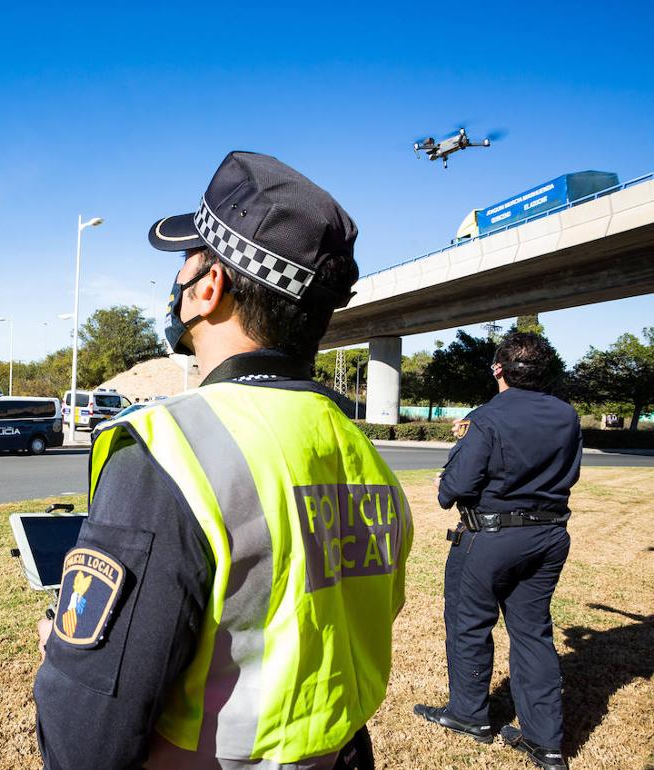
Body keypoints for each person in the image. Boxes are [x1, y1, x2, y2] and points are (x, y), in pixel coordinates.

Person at [33, 152, 413, 769]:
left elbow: (88, 739)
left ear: (208, 289)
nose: (176, 281)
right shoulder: (363, 452)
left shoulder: (170, 448)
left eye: (185, 262)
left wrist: (67, 658)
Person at [415, 332, 581, 770]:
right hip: (548, 537)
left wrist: (447, 477)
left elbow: (456, 488)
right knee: (532, 632)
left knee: (470, 624)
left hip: (490, 537)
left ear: (498, 370)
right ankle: (545, 742)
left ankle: (469, 715)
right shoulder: (567, 415)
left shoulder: (487, 417)